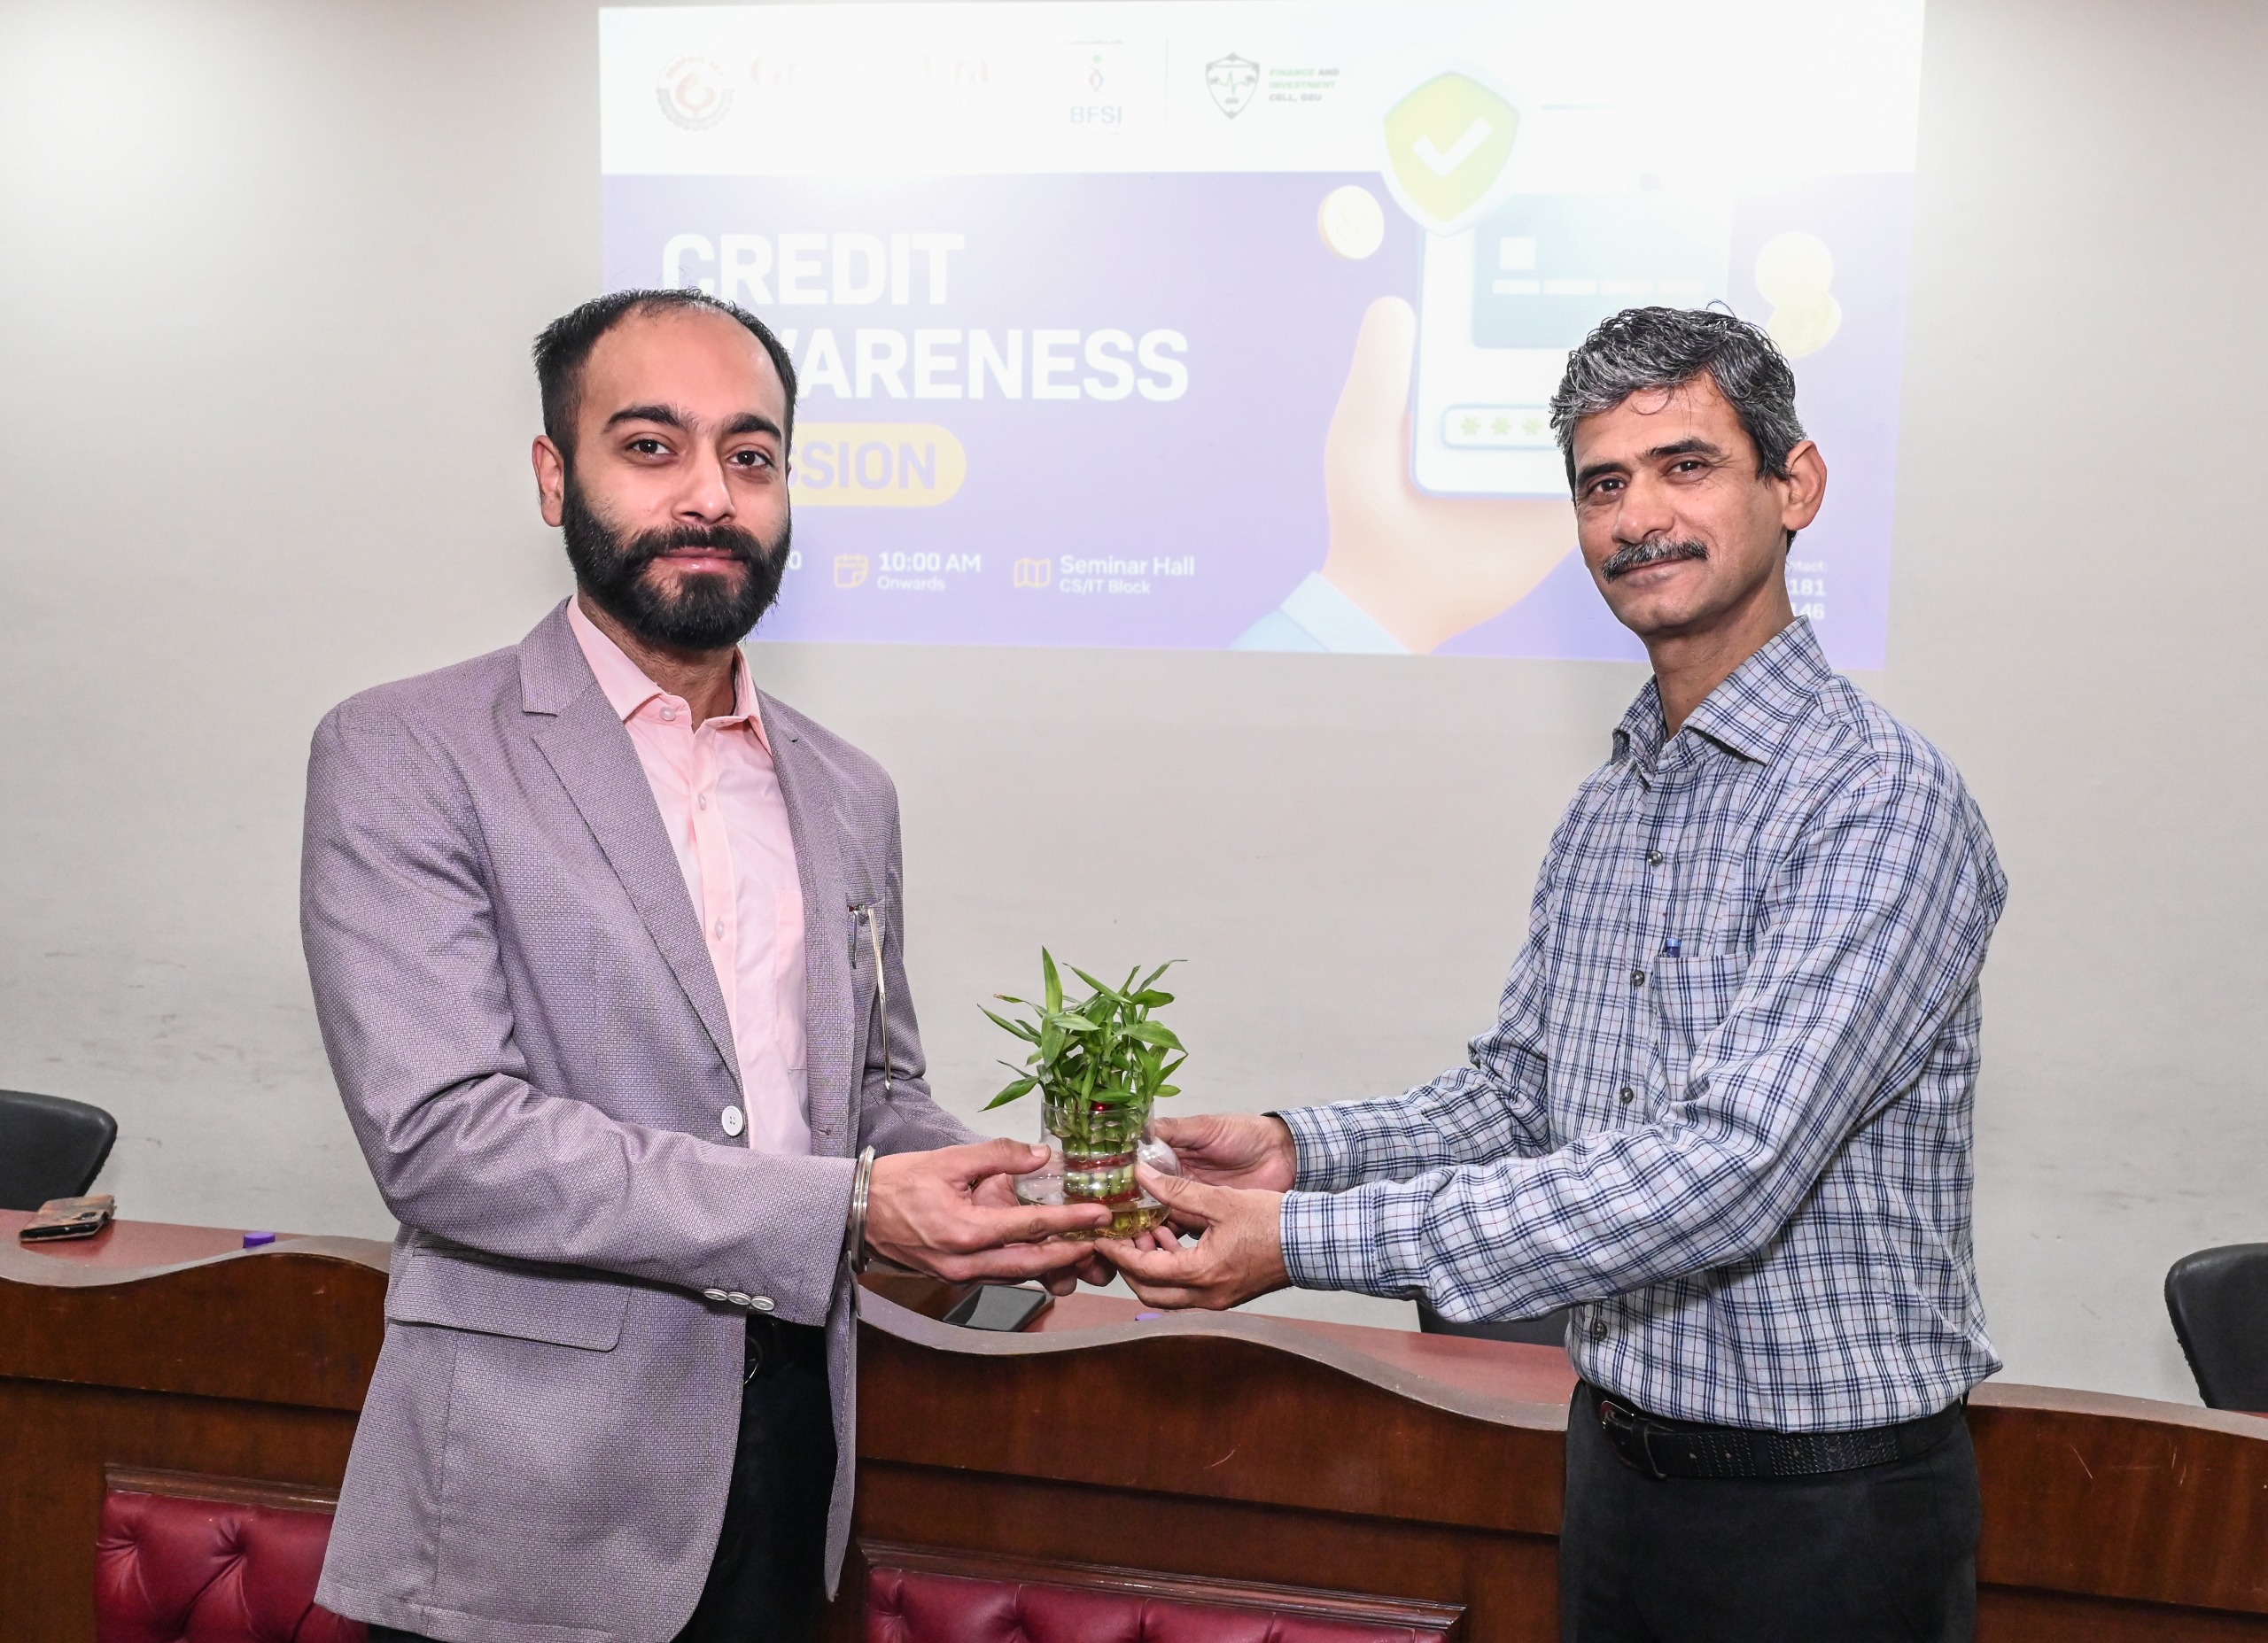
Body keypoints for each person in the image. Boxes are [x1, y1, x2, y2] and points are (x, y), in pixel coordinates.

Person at [1107, 306, 2008, 1642]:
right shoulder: (1612, 804)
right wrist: (1301, 1153)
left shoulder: (1879, 798)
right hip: (1614, 1469)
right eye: (1603, 484)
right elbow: (1524, 1096)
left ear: (1796, 486)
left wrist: (1302, 1242)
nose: (1639, 516)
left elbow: (1729, 1169)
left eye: (1686, 467)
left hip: (1824, 1513)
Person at [301, 287, 1108, 1643]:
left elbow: (869, 1100)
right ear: (554, 476)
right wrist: (852, 1211)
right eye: (650, 447)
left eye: (751, 455)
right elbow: (446, 1139)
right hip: (525, 1493)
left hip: (793, 1462)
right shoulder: (407, 751)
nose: (711, 497)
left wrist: (1018, 1194)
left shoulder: (848, 791)